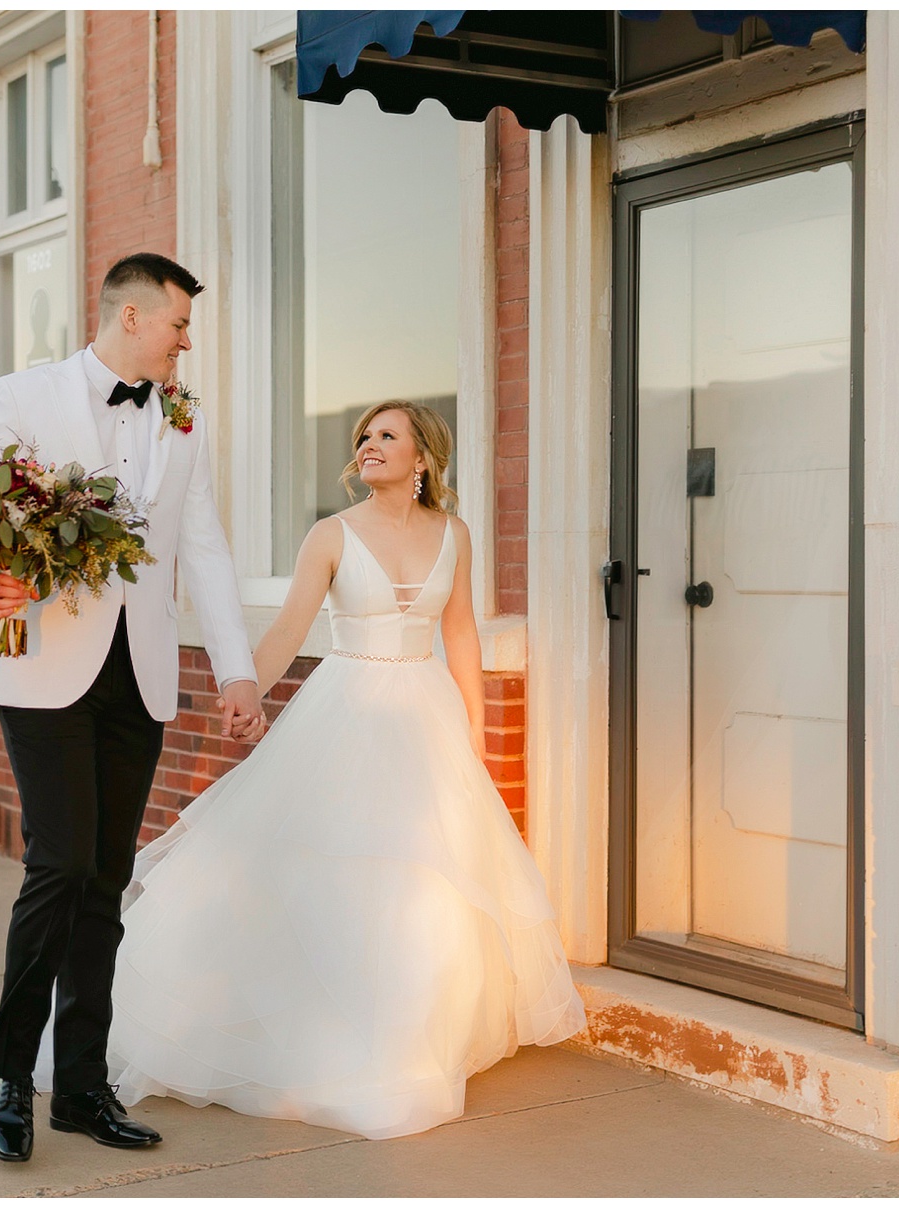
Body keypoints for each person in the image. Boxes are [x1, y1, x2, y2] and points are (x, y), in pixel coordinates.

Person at [101, 400, 588, 1140]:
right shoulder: (331, 534)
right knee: (327, 872)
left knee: (419, 885)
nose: (369, 445)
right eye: (363, 436)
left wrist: (476, 741)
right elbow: (291, 627)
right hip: (345, 708)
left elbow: (460, 637)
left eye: (387, 435)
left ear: (423, 456)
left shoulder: (454, 535)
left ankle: (410, 1041)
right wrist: (246, 693)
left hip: (425, 722)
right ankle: (318, 1038)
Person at [0, 252, 268, 1164]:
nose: (186, 341)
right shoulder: (23, 394)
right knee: (58, 864)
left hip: (137, 674)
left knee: (105, 879)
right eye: (180, 323)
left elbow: (204, 547)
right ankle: (13, 1075)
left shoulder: (183, 417)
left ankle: (83, 1089)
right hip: (44, 665)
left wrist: (236, 670)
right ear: (131, 317)